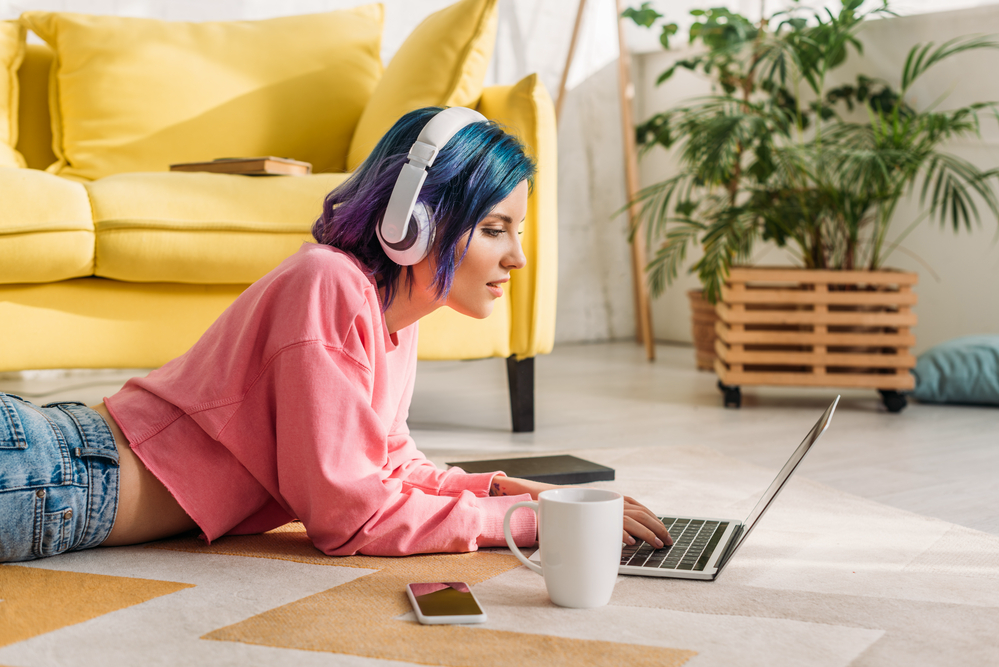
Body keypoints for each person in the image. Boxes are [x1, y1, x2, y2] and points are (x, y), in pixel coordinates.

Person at [0, 107, 672, 563]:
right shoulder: (329, 283)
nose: (516, 257)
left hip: (54, 478)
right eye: (494, 228)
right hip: (48, 470)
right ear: (414, 218)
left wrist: (505, 491)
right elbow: (349, 517)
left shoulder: (389, 317)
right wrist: (530, 527)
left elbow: (388, 467)